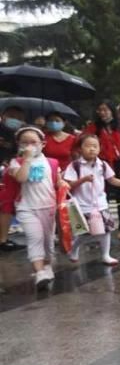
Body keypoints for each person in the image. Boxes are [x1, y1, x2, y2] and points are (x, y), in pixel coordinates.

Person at [6, 126, 67, 289]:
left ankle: (47, 266)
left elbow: (58, 181)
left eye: (33, 142)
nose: (29, 145)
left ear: (43, 143)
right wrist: (26, 159)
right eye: (24, 142)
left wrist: (63, 183)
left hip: (49, 207)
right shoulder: (15, 162)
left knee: (48, 241)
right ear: (18, 144)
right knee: (35, 238)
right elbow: (21, 178)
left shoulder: (52, 162)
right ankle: (39, 272)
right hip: (27, 207)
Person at [65, 134, 120, 265]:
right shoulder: (75, 166)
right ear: (80, 149)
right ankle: (74, 249)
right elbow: (68, 185)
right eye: (88, 146)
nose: (92, 149)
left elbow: (112, 180)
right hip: (83, 205)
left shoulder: (102, 165)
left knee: (106, 230)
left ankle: (106, 255)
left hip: (101, 204)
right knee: (85, 233)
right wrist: (83, 180)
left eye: (95, 146)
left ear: (99, 148)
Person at [84, 100, 120, 240]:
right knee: (102, 196)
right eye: (100, 110)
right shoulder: (93, 127)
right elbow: (85, 143)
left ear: (112, 111)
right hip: (99, 164)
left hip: (119, 165)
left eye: (106, 109)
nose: (103, 112)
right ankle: (101, 226)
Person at [0, 106, 26, 251]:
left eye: (18, 118)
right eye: (11, 116)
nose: (14, 120)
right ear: (3, 116)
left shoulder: (19, 135)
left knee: (6, 206)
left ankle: (3, 239)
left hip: (10, 173)